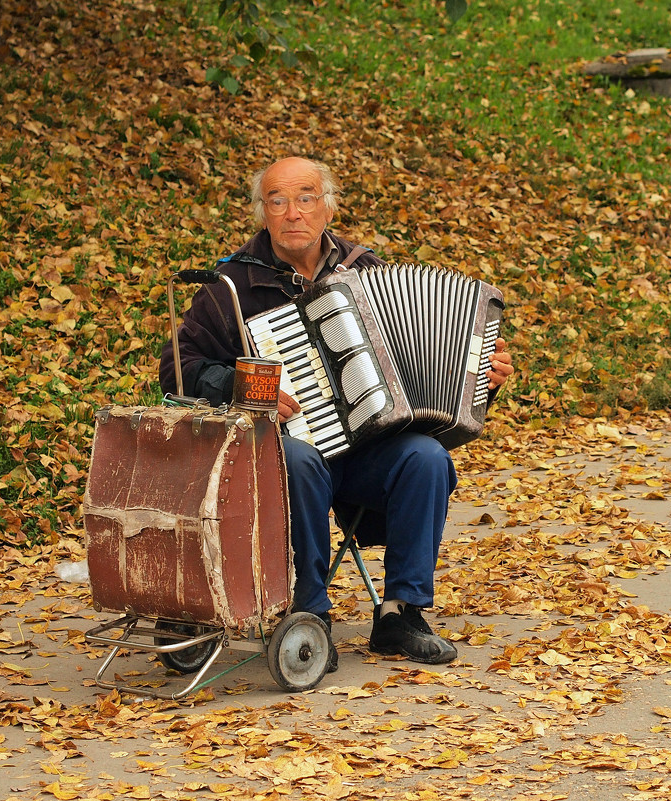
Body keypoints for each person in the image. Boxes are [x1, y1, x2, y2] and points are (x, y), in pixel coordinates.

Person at [159, 156, 513, 669]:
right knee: (298, 459)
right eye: (277, 201)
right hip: (281, 455)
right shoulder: (229, 284)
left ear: (327, 207)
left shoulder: (365, 270)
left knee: (426, 457)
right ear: (263, 213)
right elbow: (177, 367)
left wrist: (484, 376)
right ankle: (309, 615)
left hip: (364, 452)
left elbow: (429, 378)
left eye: (305, 198)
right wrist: (245, 385)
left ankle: (401, 613)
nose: (293, 213)